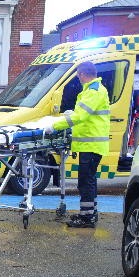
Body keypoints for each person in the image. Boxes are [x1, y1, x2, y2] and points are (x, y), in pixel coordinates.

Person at [46, 61, 110, 228]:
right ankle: (89, 214)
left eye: (78, 75)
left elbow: (80, 117)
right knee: (89, 180)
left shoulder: (93, 92)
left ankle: (86, 218)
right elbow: (84, 115)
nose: (78, 78)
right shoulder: (93, 90)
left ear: (82, 74)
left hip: (91, 145)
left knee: (85, 181)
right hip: (91, 145)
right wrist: (72, 114)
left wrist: (55, 125)